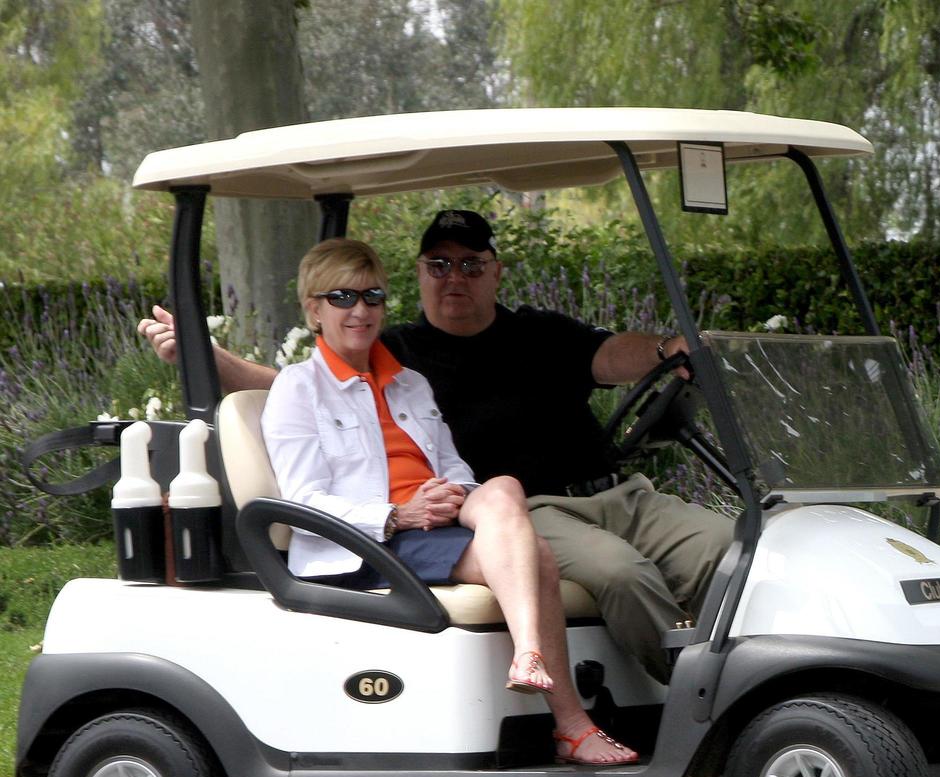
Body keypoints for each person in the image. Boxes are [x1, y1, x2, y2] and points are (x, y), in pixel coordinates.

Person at [139, 210, 731, 685]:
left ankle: (773, 675)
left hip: (620, 495)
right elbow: (301, 389)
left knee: (730, 549)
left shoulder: (539, 333)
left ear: (495, 272)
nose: (456, 277)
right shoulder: (395, 352)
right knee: (622, 575)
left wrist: (664, 349)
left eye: (471, 264)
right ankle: (701, 701)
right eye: (440, 263)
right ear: (421, 273)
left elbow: (611, 357)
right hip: (533, 511)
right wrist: (200, 355)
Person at [261, 238, 637, 766]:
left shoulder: (409, 383)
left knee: (502, 486)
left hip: (428, 525)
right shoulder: (298, 390)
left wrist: (449, 493)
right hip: (370, 544)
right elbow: (304, 502)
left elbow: (452, 465)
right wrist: (398, 514)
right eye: (343, 297)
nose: (361, 310)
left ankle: (532, 659)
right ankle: (570, 724)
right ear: (314, 308)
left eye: (372, 297)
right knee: (540, 559)